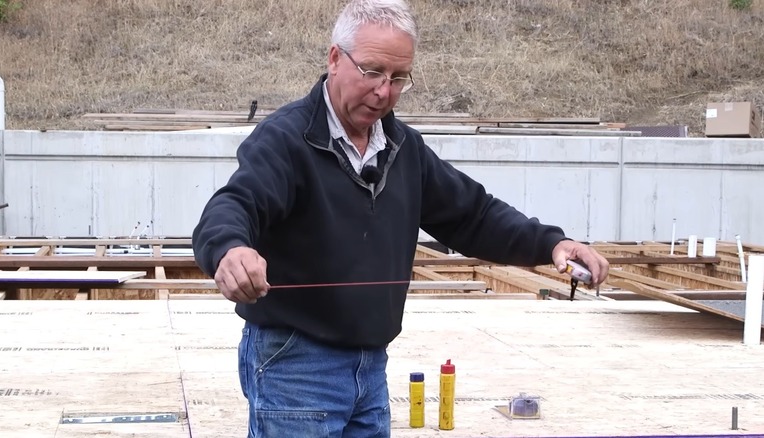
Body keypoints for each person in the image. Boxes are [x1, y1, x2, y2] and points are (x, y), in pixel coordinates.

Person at [191, 0, 610, 436]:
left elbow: (473, 214)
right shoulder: (286, 139)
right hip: (296, 364)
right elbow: (235, 204)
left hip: (371, 366)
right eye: (371, 71)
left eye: (398, 78)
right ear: (335, 58)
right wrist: (231, 249)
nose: (383, 92)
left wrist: (551, 244)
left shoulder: (402, 147)